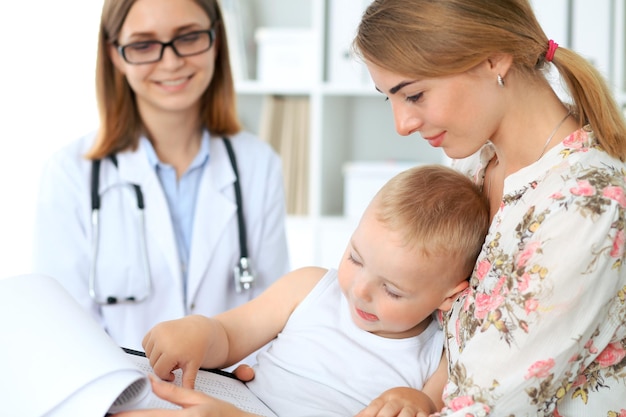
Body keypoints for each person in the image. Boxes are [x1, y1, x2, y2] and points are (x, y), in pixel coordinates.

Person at [351, 0, 626, 415]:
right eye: (388, 98)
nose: (401, 124)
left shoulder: (588, 203)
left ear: (494, 59)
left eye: (414, 94)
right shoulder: (474, 162)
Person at [115, 164, 491, 417]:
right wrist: (196, 332)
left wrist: (417, 402)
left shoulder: (439, 354)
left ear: (448, 296)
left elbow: (432, 405)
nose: (359, 291)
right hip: (245, 400)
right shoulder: (311, 287)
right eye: (355, 258)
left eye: (392, 290)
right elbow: (229, 335)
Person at [32, 0, 290, 352]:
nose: (171, 62)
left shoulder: (259, 165)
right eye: (143, 45)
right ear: (114, 54)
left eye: (189, 37)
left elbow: (272, 320)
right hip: (119, 399)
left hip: (227, 397)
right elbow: (63, 334)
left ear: (215, 39)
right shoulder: (70, 174)